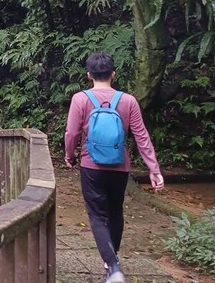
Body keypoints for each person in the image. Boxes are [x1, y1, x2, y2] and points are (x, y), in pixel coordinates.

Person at [64, 52, 164, 283]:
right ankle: (111, 266)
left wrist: (70, 156)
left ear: (89, 75)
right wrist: (154, 169)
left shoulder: (81, 99)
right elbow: (141, 136)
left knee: (97, 217)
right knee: (115, 212)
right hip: (120, 166)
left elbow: (71, 133)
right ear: (113, 74)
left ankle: (113, 267)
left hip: (91, 166)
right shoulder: (128, 101)